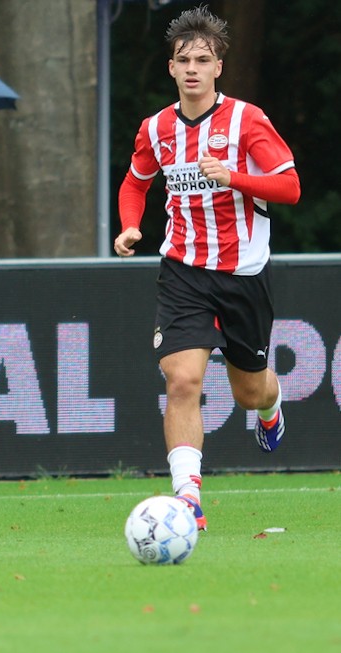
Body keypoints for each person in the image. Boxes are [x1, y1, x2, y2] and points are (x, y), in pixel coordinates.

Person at [113, 7, 300, 531]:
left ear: (219, 66)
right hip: (182, 270)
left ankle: (271, 406)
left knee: (248, 392)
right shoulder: (156, 128)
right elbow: (135, 182)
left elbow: (290, 187)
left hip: (243, 274)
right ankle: (187, 498)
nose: (192, 68)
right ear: (170, 68)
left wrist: (235, 176)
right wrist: (131, 225)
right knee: (182, 380)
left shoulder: (248, 120)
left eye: (203, 59)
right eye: (183, 60)